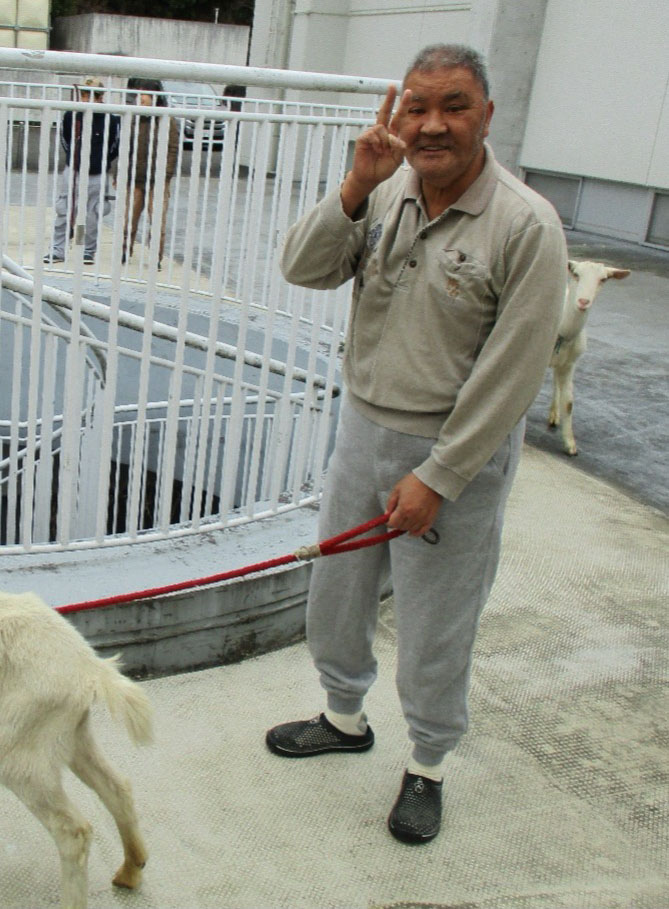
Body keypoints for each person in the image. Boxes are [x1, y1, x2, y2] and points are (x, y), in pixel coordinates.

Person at [264, 45, 567, 844]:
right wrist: (355, 186)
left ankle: (427, 762)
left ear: (486, 116)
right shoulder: (387, 188)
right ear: (397, 116)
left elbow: (513, 372)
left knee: (436, 619)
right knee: (338, 590)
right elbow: (300, 267)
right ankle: (341, 715)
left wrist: (440, 473)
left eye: (453, 106)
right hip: (362, 429)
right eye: (416, 107)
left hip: (451, 451)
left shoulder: (525, 224)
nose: (432, 125)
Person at [45, 76, 119, 266]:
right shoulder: (72, 115)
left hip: (97, 173)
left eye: (90, 95)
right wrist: (73, 157)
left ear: (100, 97)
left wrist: (100, 161)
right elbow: (65, 139)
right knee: (64, 210)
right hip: (73, 170)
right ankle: (58, 249)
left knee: (92, 214)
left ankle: (87, 250)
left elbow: (114, 145)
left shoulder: (111, 119)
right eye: (84, 95)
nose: (86, 99)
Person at [121, 77, 180, 268]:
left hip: (158, 180)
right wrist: (119, 173)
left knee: (157, 222)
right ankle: (124, 251)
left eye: (145, 93)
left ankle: (156, 258)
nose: (141, 97)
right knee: (129, 219)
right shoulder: (133, 117)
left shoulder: (166, 118)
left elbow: (173, 148)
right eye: (139, 93)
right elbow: (124, 146)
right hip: (134, 177)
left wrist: (166, 175)